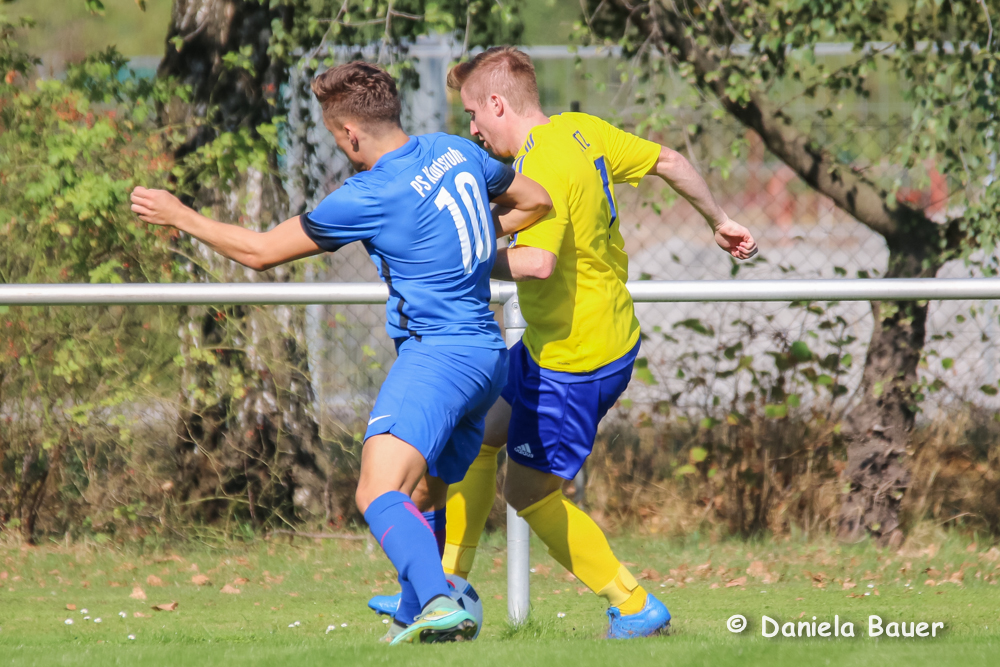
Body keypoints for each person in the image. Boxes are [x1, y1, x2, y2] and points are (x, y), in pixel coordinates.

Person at [130, 61, 552, 645]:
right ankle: (415, 606)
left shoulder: (369, 193)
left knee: (376, 490)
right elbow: (536, 201)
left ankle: (437, 600)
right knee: (425, 486)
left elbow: (258, 252)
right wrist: (470, 246)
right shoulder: (455, 151)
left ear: (350, 133)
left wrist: (181, 216)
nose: (341, 146)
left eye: (336, 137)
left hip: (439, 357)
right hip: (485, 353)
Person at [369, 47, 757, 639]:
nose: (471, 127)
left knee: (529, 493)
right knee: (479, 432)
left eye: (474, 112)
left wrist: (461, 258)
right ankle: (448, 584)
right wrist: (718, 219)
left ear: (498, 103)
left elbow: (539, 263)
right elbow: (670, 160)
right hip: (572, 339)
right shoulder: (581, 129)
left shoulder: (541, 163)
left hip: (578, 359)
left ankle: (633, 606)